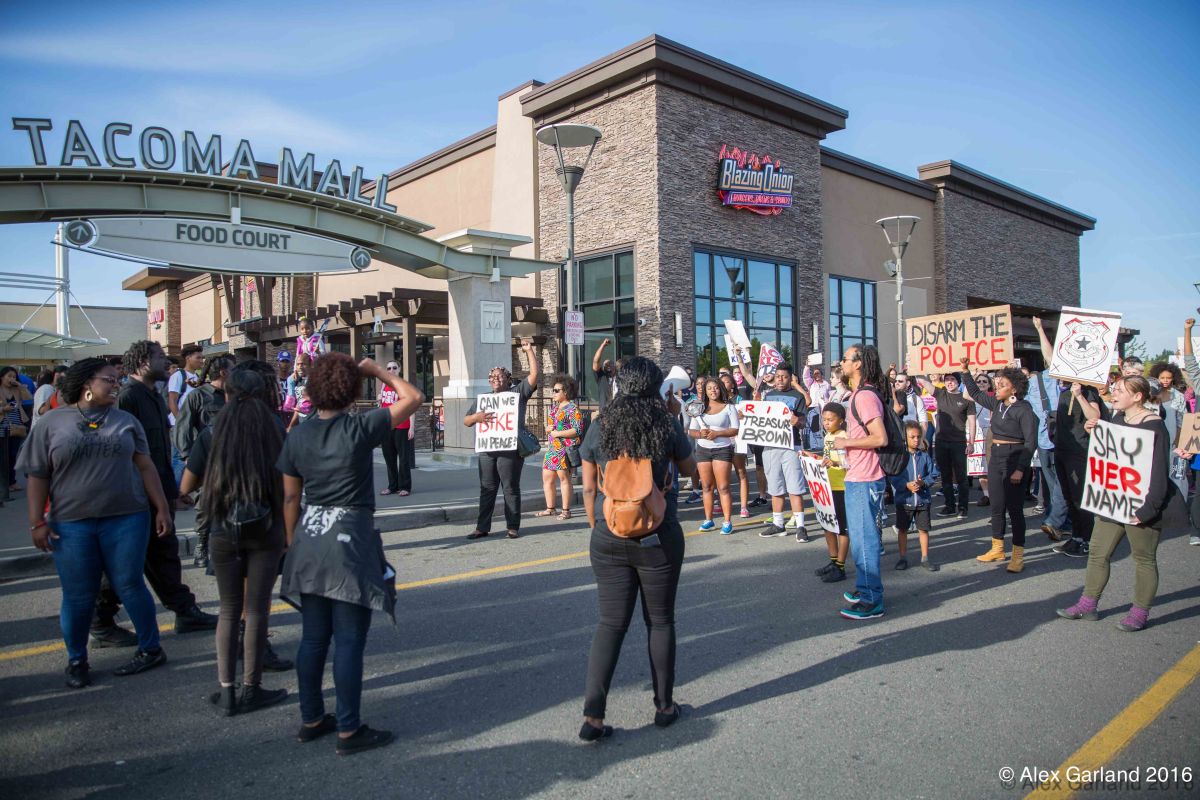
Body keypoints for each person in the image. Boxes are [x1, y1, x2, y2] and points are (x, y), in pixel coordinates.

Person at [278, 353, 422, 754]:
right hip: (350, 537)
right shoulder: (360, 427)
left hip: (309, 534)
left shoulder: (298, 435)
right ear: (350, 390)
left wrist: (291, 542)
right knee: (348, 639)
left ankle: (311, 718)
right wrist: (376, 371)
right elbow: (413, 397)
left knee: (313, 638)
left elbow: (290, 497)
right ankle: (348, 728)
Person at [18, 357, 174, 687]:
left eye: (118, 380)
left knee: (130, 584)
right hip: (71, 523)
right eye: (109, 380)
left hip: (127, 517)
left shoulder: (126, 421)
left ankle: (151, 648)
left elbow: (146, 467)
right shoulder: (52, 423)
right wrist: (36, 522)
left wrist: (161, 507)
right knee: (78, 594)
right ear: (87, 383)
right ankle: (77, 659)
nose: (117, 385)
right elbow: (37, 475)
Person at [578, 357, 695, 741]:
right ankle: (664, 707)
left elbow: (589, 485)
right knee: (660, 621)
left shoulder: (601, 425)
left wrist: (596, 524)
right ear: (656, 388)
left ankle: (593, 717)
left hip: (609, 533)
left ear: (621, 386)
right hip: (657, 533)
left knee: (610, 623)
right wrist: (674, 419)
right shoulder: (665, 423)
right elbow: (691, 470)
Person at [179, 363, 291, 714]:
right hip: (266, 525)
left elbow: (186, 484)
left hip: (223, 525)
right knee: (256, 610)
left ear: (227, 393)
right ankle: (252, 688)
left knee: (229, 610)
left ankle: (227, 692)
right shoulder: (274, 427)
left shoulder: (213, 430)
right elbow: (289, 484)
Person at [92, 341, 217, 646]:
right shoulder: (127, 397)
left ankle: (184, 611)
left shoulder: (154, 396)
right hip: (134, 497)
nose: (167, 362)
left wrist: (172, 491)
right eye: (160, 357)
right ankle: (100, 621)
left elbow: (159, 452)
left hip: (158, 492)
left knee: (164, 553)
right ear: (143, 362)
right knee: (126, 560)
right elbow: (123, 453)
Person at [1057, 376, 1175, 631]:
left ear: (1138, 396)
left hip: (1140, 506)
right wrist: (1096, 432)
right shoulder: (1118, 419)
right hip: (1112, 503)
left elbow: (1158, 473)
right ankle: (1087, 605)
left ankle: (1139, 613)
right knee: (1098, 553)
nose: (1114, 393)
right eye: (1115, 389)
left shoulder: (1155, 427)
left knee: (1144, 559)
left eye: (1120, 390)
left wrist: (1147, 510)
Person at [1033, 317, 1108, 558]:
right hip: (1063, 450)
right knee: (1068, 495)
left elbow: (1094, 416)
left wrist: (1080, 396)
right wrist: (1040, 330)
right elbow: (1049, 357)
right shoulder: (1064, 390)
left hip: (1080, 453)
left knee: (1079, 497)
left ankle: (1086, 540)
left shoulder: (1087, 390)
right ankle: (1076, 537)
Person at [959, 357, 1039, 572]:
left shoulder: (1024, 410)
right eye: (998, 383)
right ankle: (997, 548)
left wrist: (1020, 469)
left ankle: (1018, 555)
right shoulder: (997, 403)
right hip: (996, 457)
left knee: (1015, 510)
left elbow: (1031, 442)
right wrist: (965, 371)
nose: (997, 387)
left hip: (1015, 459)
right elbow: (975, 394)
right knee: (997, 506)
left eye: (1002, 384)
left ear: (1014, 389)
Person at [465, 343, 540, 540]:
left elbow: (534, 375)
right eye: (492, 376)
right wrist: (476, 417)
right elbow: (466, 421)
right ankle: (482, 527)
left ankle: (512, 527)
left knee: (510, 488)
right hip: (487, 451)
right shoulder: (483, 400)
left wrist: (529, 351)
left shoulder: (517, 393)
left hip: (510, 450)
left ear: (508, 379)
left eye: (499, 376)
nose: (495, 379)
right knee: (487, 489)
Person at [837, 344, 889, 620]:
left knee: (864, 540)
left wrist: (847, 442)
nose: (841, 362)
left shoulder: (865, 396)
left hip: (865, 478)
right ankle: (865, 586)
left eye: (845, 358)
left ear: (858, 364)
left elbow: (880, 438)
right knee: (858, 539)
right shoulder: (859, 394)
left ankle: (871, 600)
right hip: (858, 475)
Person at [173, 353, 234, 569]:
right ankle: (201, 544)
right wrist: (188, 458)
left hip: (232, 461)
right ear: (223, 372)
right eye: (233, 369)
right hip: (206, 461)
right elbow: (182, 429)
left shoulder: (234, 396)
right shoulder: (198, 396)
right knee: (205, 505)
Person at [756, 364, 809, 539]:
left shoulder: (798, 397)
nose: (780, 379)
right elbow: (759, 419)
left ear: (790, 378)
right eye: (778, 376)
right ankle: (778, 524)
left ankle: (800, 526)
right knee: (775, 486)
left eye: (784, 377)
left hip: (791, 446)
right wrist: (746, 416)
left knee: (795, 487)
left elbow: (803, 422)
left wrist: (797, 421)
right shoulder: (768, 396)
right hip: (771, 445)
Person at [914, 371, 976, 519]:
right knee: (946, 476)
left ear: (958, 382)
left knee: (961, 477)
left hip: (959, 442)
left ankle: (963, 508)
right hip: (941, 441)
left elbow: (972, 422)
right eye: (947, 379)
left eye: (953, 379)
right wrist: (914, 367)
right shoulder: (940, 393)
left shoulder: (966, 399)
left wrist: (971, 443)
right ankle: (949, 506)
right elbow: (923, 381)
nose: (949, 382)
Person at [689, 376, 739, 534]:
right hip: (703, 450)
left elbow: (735, 429)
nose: (713, 391)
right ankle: (708, 520)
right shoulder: (699, 408)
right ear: (705, 391)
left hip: (723, 449)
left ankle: (727, 521)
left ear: (721, 389)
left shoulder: (729, 407)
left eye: (716, 388)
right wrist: (700, 434)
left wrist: (718, 433)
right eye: (709, 388)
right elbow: (691, 431)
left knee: (723, 487)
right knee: (706, 486)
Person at [889, 421, 940, 571]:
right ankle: (902, 558)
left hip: (923, 500)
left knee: (923, 529)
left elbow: (933, 474)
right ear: (905, 438)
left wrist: (923, 482)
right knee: (903, 530)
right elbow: (893, 475)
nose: (916, 440)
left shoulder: (924, 456)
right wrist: (906, 485)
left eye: (918, 437)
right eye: (912, 437)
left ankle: (925, 558)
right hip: (904, 500)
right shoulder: (899, 457)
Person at [1026, 368, 1071, 542]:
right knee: (1054, 483)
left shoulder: (1077, 387)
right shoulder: (1037, 382)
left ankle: (1059, 520)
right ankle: (1059, 519)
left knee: (1062, 482)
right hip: (1045, 439)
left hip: (1064, 441)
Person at [813, 402, 851, 583]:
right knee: (827, 526)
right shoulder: (828, 436)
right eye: (824, 419)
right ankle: (833, 560)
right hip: (827, 487)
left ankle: (841, 566)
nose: (826, 423)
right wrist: (813, 458)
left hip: (841, 488)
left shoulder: (844, 437)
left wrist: (834, 463)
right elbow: (827, 459)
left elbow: (848, 463)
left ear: (841, 420)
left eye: (830, 420)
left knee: (842, 528)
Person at [538, 374, 583, 520]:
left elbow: (577, 429)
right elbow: (552, 426)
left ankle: (566, 510)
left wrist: (558, 433)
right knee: (547, 478)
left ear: (566, 392)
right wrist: (548, 429)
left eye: (557, 390)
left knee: (564, 479)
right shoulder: (554, 408)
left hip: (564, 449)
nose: (554, 393)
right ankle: (550, 508)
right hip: (552, 448)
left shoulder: (572, 409)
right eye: (553, 390)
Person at [167, 344, 203, 484]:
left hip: (191, 425)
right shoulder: (178, 376)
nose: (201, 360)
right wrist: (181, 423)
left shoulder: (197, 377)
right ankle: (177, 492)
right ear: (188, 358)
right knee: (178, 458)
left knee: (190, 458)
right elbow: (172, 400)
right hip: (179, 425)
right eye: (198, 357)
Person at [378, 361, 414, 497]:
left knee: (403, 459)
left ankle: (405, 487)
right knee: (389, 458)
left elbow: (411, 407)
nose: (391, 370)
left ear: (399, 369)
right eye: (388, 368)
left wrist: (412, 427)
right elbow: (382, 407)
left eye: (394, 367)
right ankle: (392, 486)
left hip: (402, 425)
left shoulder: (404, 385)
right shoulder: (384, 385)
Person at [719, 373, 752, 519]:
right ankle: (722, 503)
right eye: (721, 382)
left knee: (741, 472)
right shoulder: (716, 401)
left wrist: (744, 416)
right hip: (722, 440)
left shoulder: (740, 400)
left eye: (727, 381)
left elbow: (750, 418)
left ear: (732, 384)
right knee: (722, 475)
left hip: (738, 440)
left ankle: (744, 506)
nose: (724, 384)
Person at [1, 366, 32, 491]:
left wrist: (20, 386)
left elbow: (28, 397)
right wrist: (3, 409)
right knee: (2, 456)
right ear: (2, 377)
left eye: (14, 376)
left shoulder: (16, 389)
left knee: (13, 455)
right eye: (9, 376)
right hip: (2, 425)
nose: (11, 379)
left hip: (16, 425)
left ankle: (12, 482)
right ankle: (4, 483)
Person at [591, 338, 620, 413]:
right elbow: (596, 361)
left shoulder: (619, 378)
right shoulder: (601, 377)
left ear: (615, 366)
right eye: (606, 364)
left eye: (610, 363)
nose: (608, 365)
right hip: (605, 413)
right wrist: (603, 345)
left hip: (617, 412)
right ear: (603, 368)